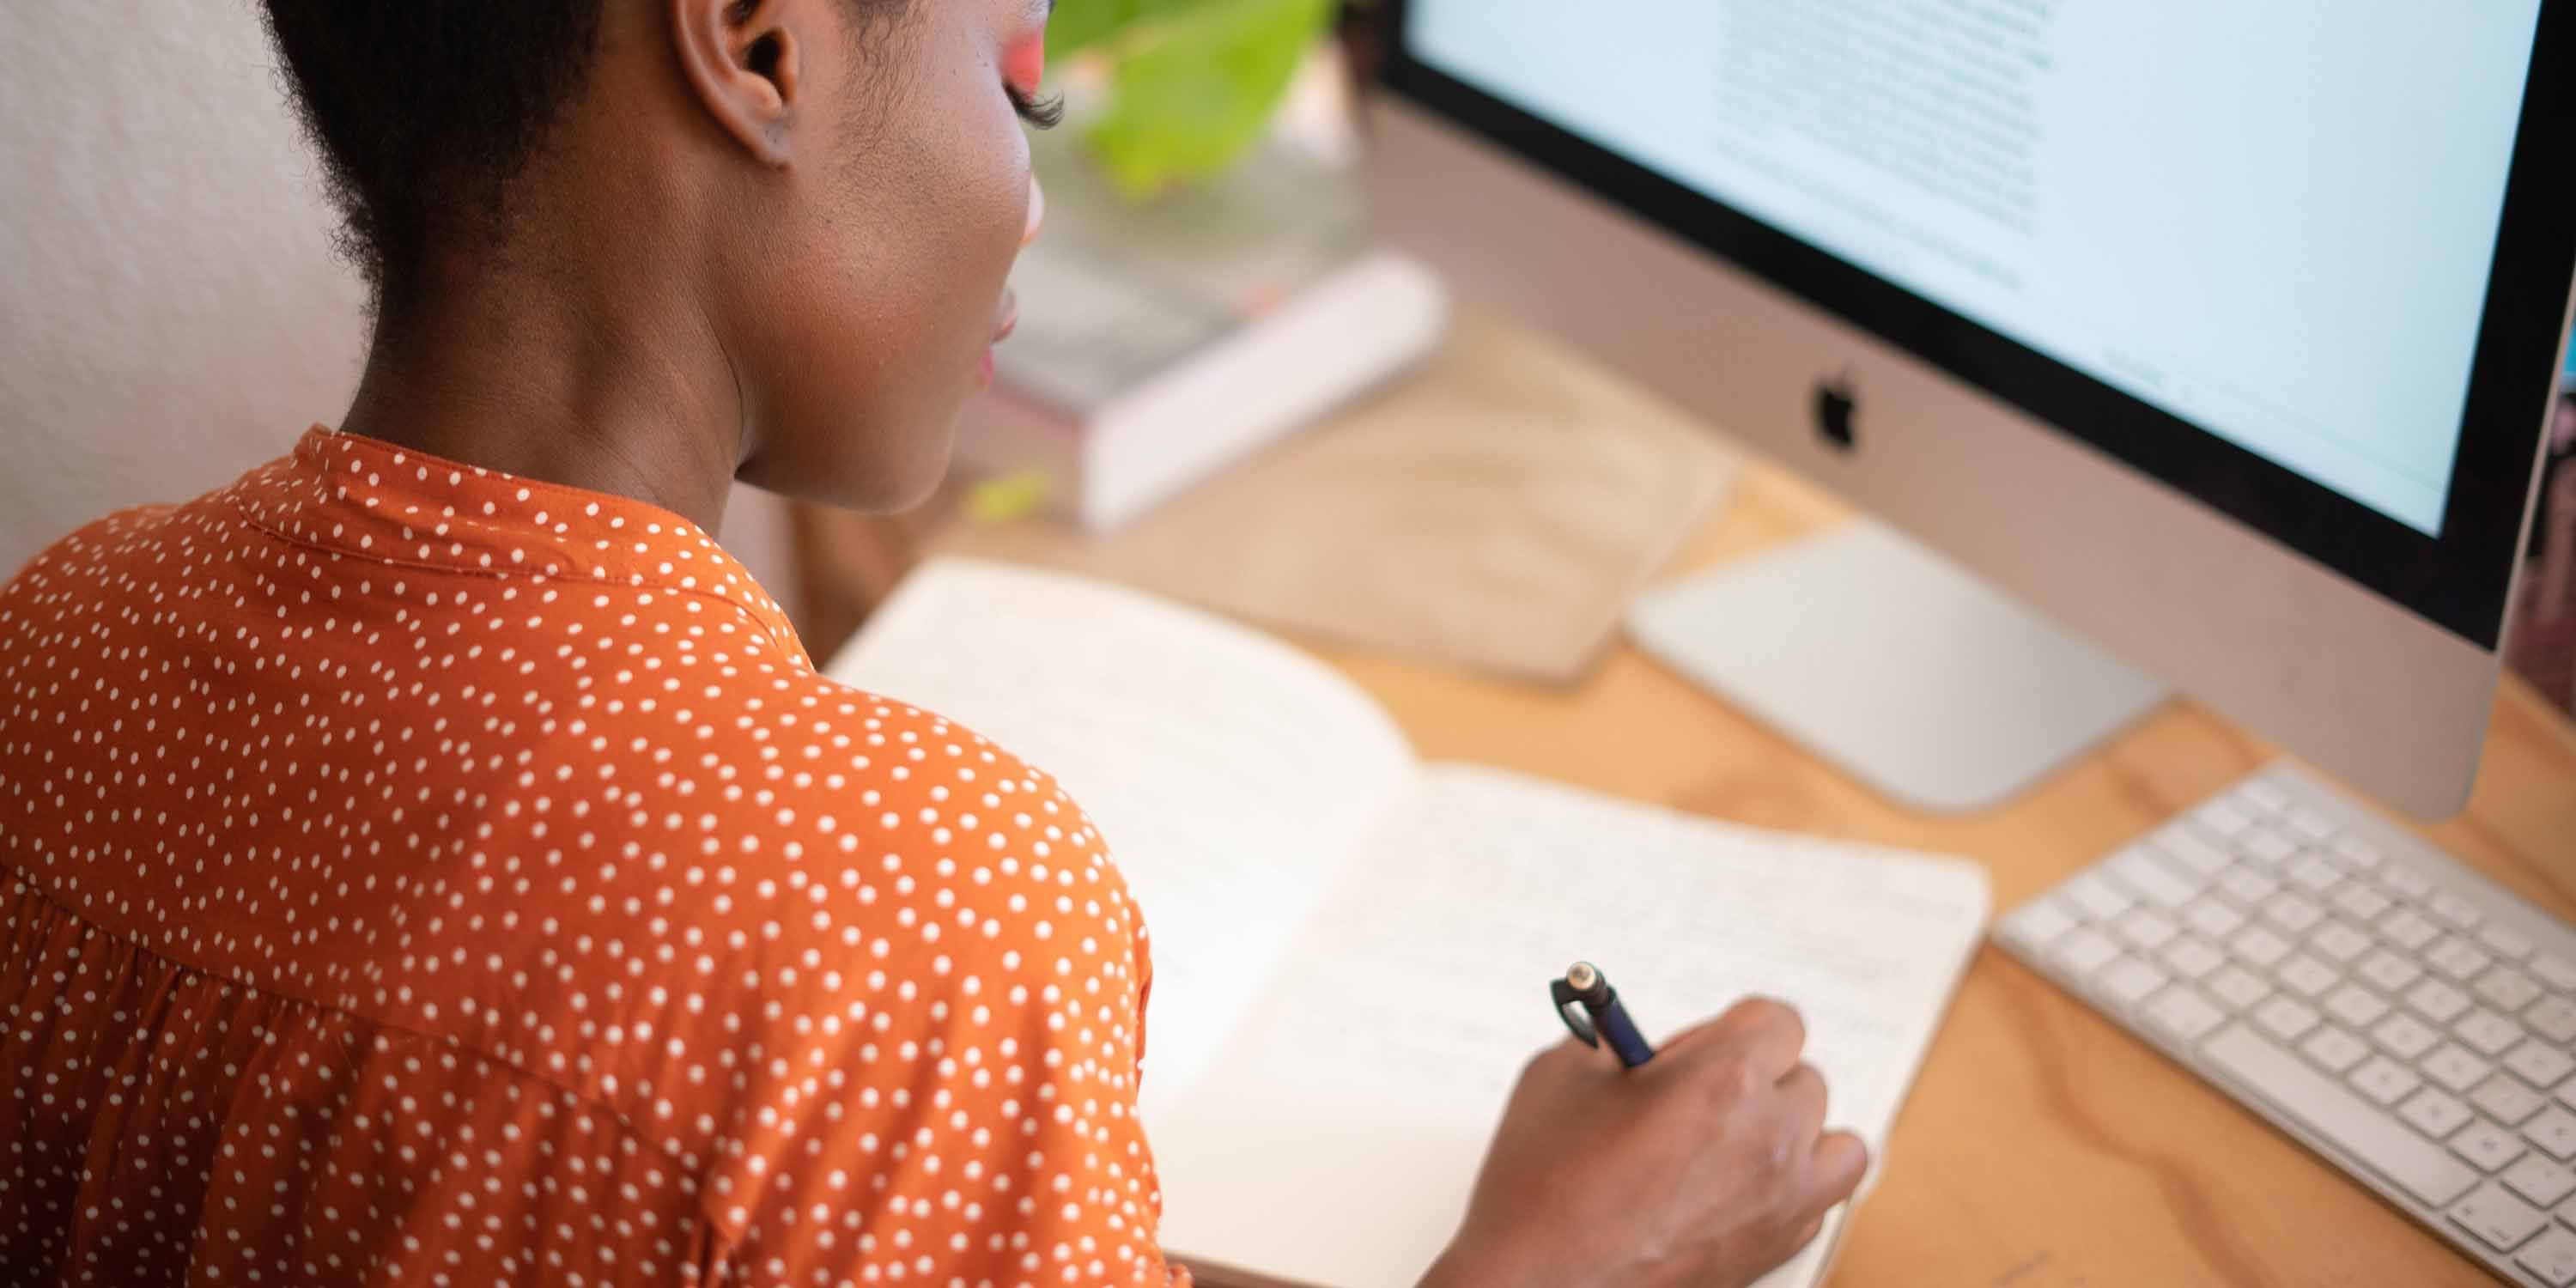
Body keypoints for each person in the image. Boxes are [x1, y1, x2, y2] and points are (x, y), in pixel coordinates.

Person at [0, 3, 1865, 1285]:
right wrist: (1560, 1263)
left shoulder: (53, 653)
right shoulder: (905, 926)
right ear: (755, 48)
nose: (1033, 198)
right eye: (1017, 91)